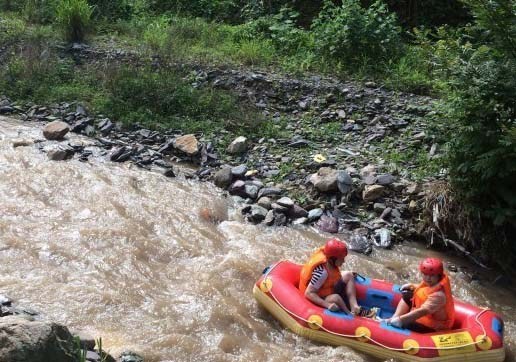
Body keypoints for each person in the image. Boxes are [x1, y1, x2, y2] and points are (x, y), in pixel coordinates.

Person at [384, 257, 455, 331]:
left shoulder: (439, 296)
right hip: (427, 315)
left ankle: (394, 325)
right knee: (407, 294)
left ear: (438, 275)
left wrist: (400, 320)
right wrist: (413, 285)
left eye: (432, 275)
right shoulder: (434, 282)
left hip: (433, 327)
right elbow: (426, 289)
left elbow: (422, 311)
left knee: (407, 324)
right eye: (425, 274)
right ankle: (394, 317)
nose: (428, 278)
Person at [299, 238, 361, 314]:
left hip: (325, 287)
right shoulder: (322, 273)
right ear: (332, 259)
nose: (344, 261)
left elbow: (332, 275)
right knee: (336, 298)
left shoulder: (329, 260)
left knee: (348, 275)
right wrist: (327, 305)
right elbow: (308, 293)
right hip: (318, 295)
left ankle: (354, 306)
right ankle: (349, 314)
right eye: (341, 259)